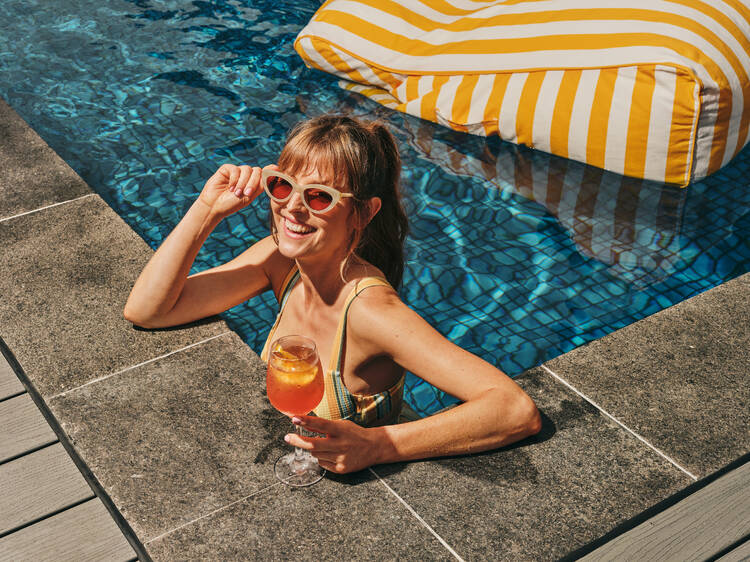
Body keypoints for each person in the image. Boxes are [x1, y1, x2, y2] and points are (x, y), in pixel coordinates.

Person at [124, 114, 541, 474]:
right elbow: (148, 310)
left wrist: (377, 446)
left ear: (364, 211)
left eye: (320, 196)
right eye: (283, 185)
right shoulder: (281, 260)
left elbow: (513, 409)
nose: (293, 208)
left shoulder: (369, 312)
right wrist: (206, 208)